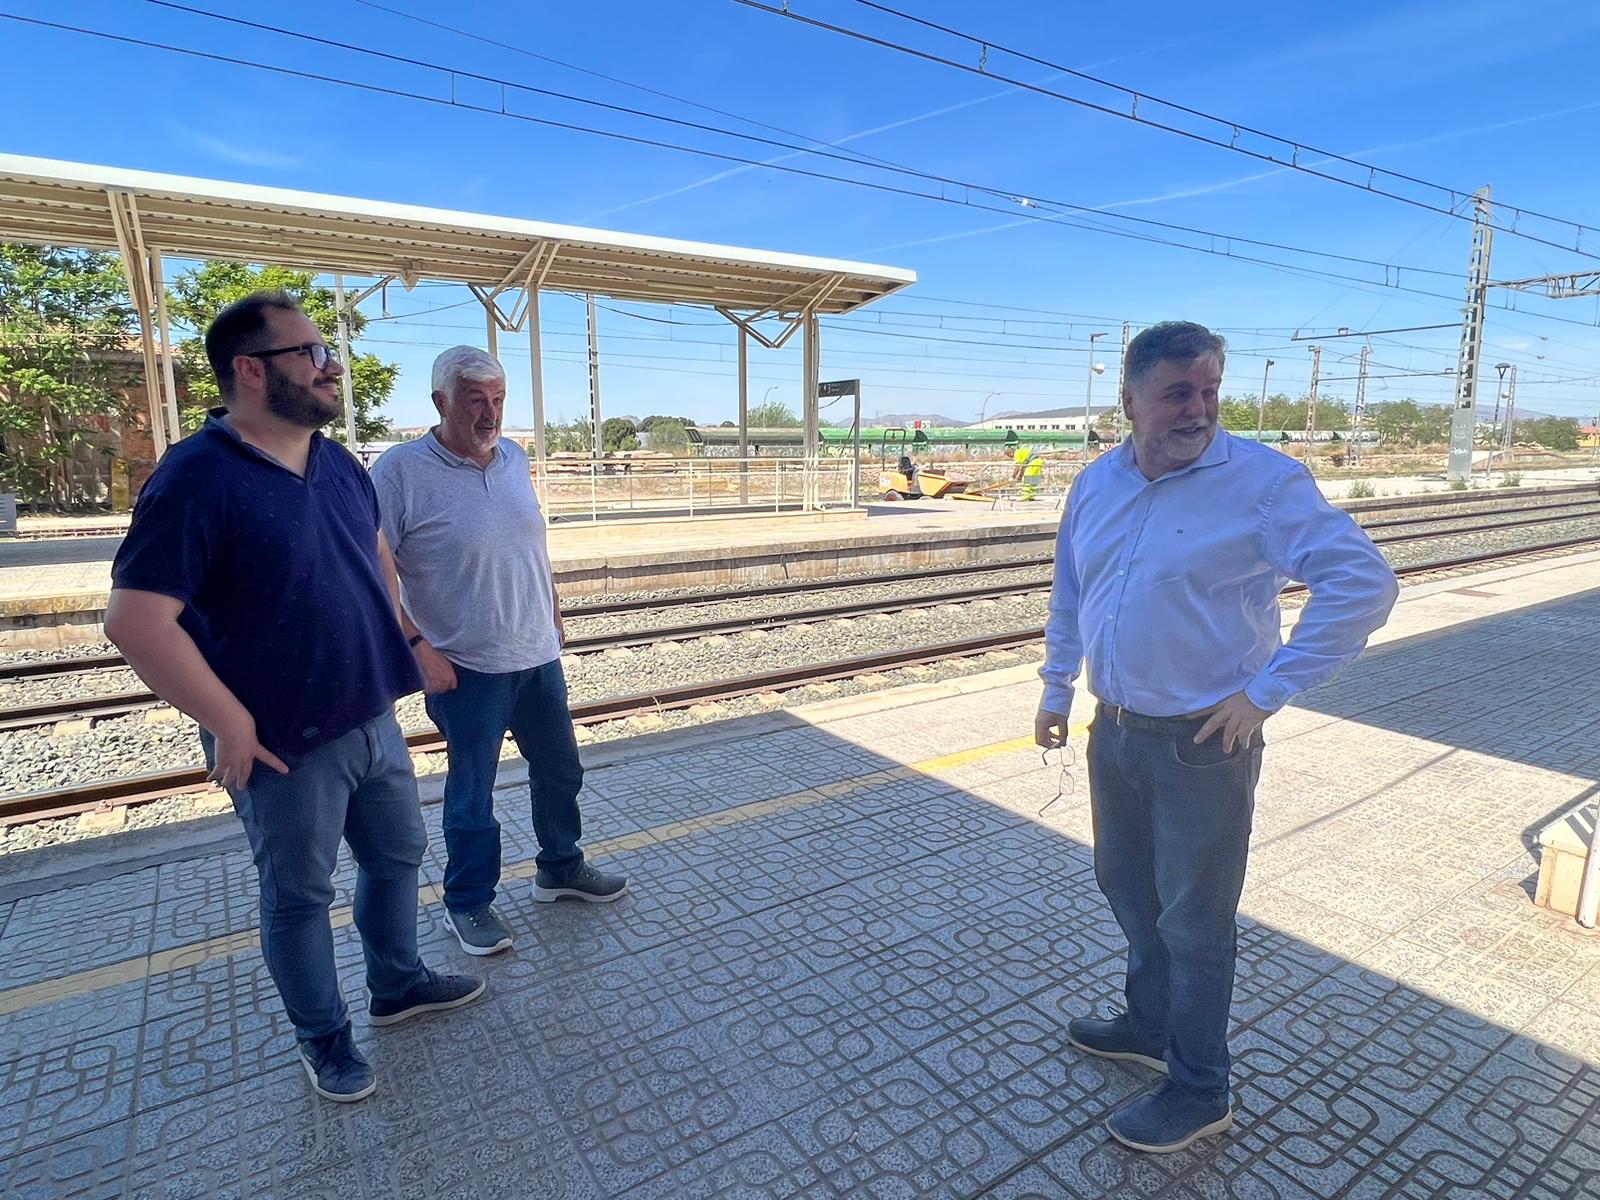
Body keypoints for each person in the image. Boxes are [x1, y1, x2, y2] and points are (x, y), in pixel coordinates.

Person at [105, 292, 484, 1105]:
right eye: (310, 353)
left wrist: (408, 647)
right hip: (281, 741)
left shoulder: (337, 461)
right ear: (249, 370)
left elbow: (370, 561)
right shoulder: (195, 478)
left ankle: (398, 983)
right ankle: (325, 1040)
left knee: (395, 859)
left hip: (369, 713)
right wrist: (228, 721)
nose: (330, 367)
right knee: (299, 895)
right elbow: (137, 620)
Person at [1034, 321, 1397, 1154]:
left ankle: (1200, 1088)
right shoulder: (1095, 484)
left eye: (1209, 390)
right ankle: (1147, 1023)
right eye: (1176, 393)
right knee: (1128, 888)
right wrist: (1058, 685)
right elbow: (1071, 593)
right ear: (1129, 401)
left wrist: (1266, 692)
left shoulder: (1265, 485)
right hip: (1114, 730)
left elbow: (1364, 584)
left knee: (1196, 922)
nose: (1198, 409)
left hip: (1203, 745)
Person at [370, 346, 627, 958]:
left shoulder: (515, 457)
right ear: (440, 403)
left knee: (561, 770)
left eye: (499, 399)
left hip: (537, 655)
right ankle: (467, 903)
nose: (490, 414)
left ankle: (560, 868)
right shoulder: (400, 471)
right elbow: (370, 566)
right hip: (466, 666)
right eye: (475, 400)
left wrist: (554, 608)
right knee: (472, 793)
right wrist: (415, 645)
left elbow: (525, 543)